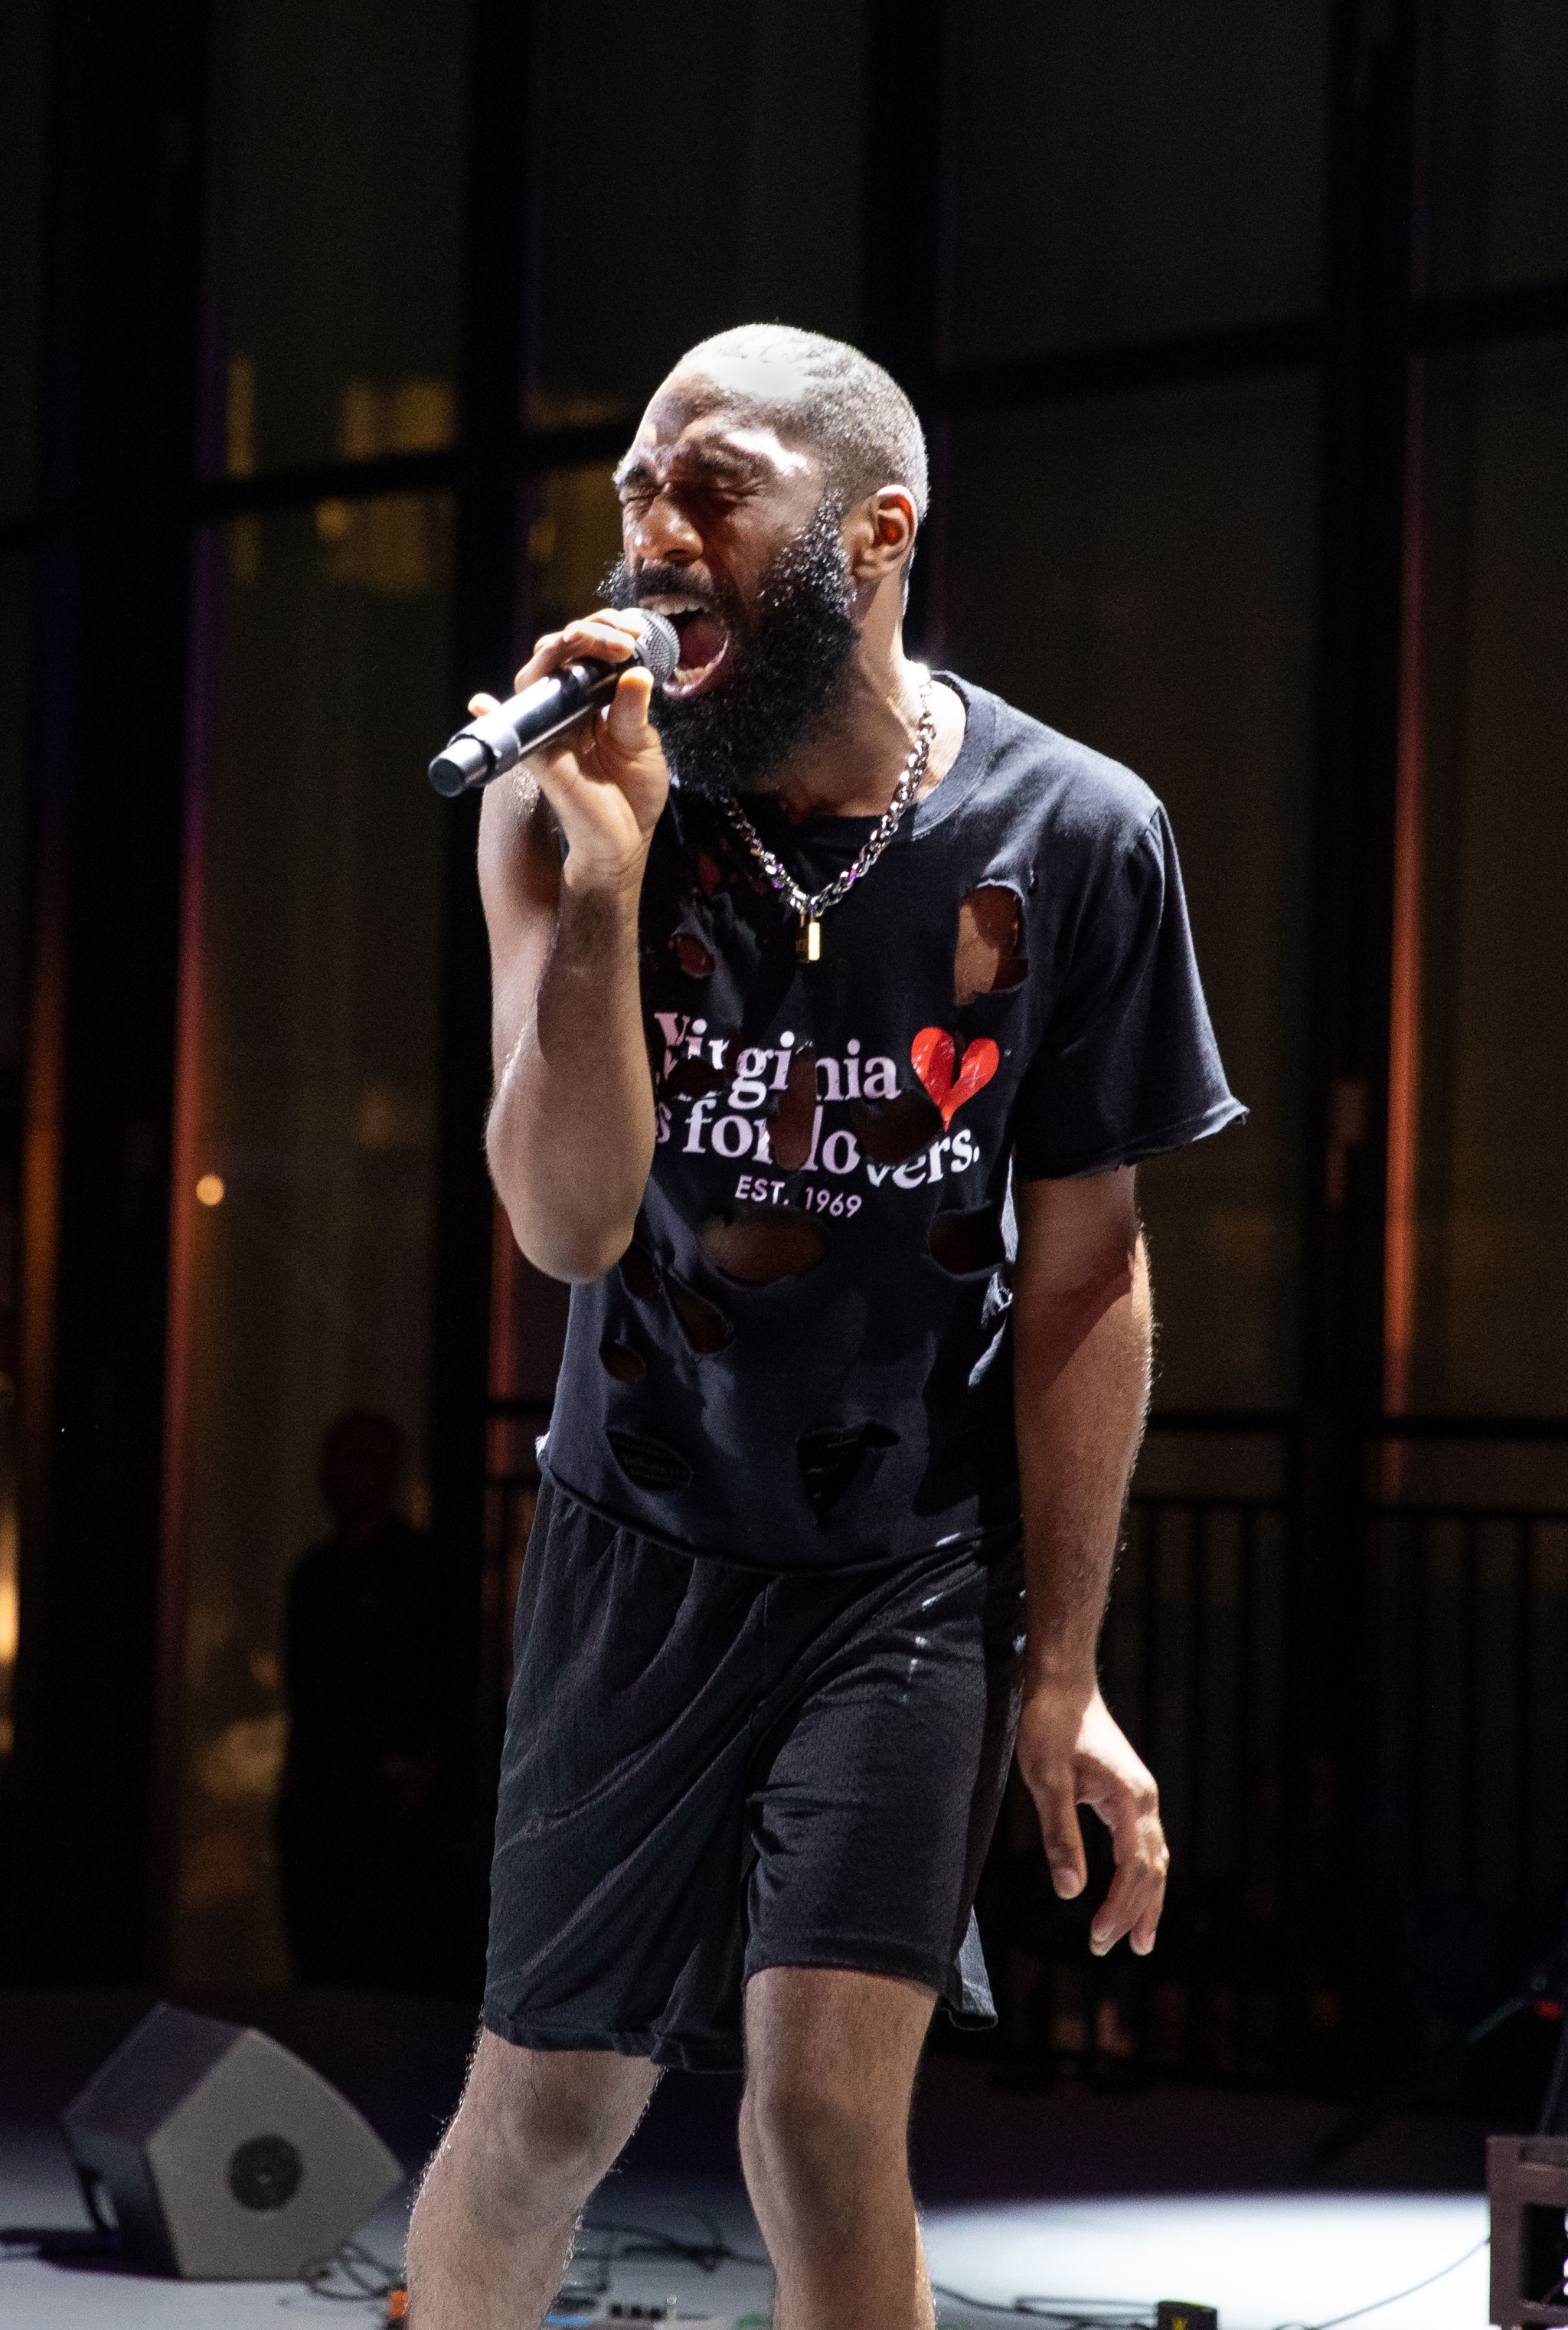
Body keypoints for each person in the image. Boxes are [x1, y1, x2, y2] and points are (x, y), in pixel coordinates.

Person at [407, 325, 1243, 2328]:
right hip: (642, 1536)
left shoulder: (1080, 838)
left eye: (712, 487)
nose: (652, 539)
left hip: (902, 1571)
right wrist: (601, 895)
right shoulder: (560, 805)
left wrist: (1068, 1668)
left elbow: (1090, 1268)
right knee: (542, 2118)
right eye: (632, 495)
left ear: (879, 531)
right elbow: (572, 1222)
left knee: (815, 2118)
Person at [274, 1407, 443, 1988]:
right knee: (319, 1966)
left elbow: (436, 1685)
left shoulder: (418, 1571)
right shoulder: (315, 1574)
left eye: (356, 1460)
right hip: (323, 1800)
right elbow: (304, 1693)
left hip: (383, 1805)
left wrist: (413, 1784)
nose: (338, 1475)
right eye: (335, 1460)